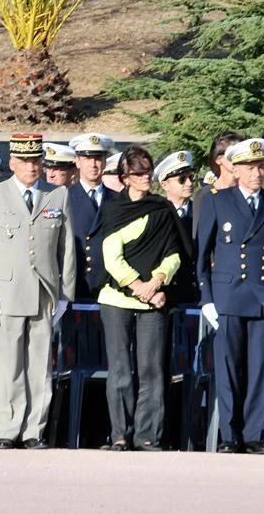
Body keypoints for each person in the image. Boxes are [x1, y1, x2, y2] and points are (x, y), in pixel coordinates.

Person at [0, 133, 76, 449]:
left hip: (44, 291)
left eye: (36, 161)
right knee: (8, 364)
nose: (32, 167)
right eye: (25, 161)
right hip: (7, 292)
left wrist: (65, 294)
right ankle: (7, 428)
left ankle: (33, 430)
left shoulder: (57, 195)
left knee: (39, 365)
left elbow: (66, 248)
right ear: (13, 162)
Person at [195, 138, 264, 454]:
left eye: (261, 166)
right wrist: (207, 299)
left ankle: (254, 434)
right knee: (229, 369)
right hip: (228, 295)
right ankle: (230, 434)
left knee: (260, 369)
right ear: (235, 170)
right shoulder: (218, 201)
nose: (257, 173)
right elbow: (202, 256)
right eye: (250, 167)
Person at [98, 146, 181, 451]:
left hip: (155, 298)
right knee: (120, 370)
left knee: (152, 370)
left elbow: (174, 253)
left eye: (149, 171)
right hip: (117, 299)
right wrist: (139, 287)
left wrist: (157, 282)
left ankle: (147, 435)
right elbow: (111, 257)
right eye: (139, 172)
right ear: (125, 177)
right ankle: (120, 434)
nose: (146, 177)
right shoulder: (113, 209)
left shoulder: (162, 209)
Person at [67, 133, 117, 302]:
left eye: (98, 158)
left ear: (105, 162)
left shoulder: (119, 200)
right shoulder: (64, 198)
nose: (93, 164)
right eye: (87, 158)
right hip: (76, 284)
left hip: (110, 286)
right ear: (77, 162)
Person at [154, 150, 199, 306]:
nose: (189, 183)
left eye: (191, 177)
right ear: (164, 184)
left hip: (193, 290)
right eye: (182, 179)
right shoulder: (156, 214)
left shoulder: (202, 211)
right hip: (164, 292)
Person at [192, 131, 243, 239]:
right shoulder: (204, 195)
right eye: (232, 155)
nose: (238, 159)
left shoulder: (247, 191)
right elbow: (200, 237)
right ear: (219, 159)